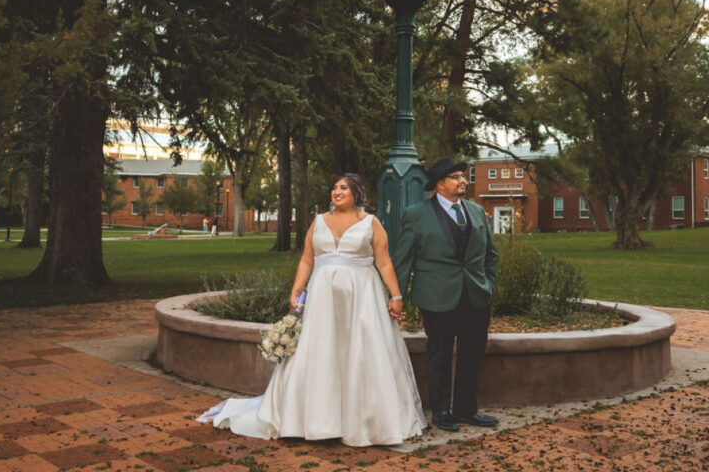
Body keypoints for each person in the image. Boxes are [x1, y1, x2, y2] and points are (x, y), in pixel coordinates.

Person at [198, 173, 425, 446]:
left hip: (363, 299)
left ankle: (368, 422)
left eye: (344, 188)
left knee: (363, 353)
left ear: (356, 193)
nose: (337, 191)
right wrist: (296, 289)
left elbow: (385, 262)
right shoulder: (318, 222)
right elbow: (307, 259)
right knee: (320, 351)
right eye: (334, 187)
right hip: (322, 299)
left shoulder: (371, 223)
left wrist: (396, 295)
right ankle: (313, 420)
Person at [391, 158, 499, 433]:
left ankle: (466, 409)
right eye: (456, 177)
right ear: (439, 184)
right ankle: (440, 411)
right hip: (436, 296)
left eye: (463, 176)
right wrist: (396, 295)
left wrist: (488, 285)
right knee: (438, 353)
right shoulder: (416, 214)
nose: (463, 180)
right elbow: (403, 259)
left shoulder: (476, 211)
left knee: (472, 353)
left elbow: (491, 255)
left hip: (475, 295)